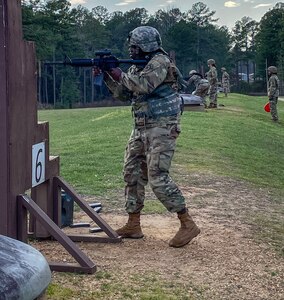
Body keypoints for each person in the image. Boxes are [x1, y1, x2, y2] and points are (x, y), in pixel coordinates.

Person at [96, 26, 200, 248]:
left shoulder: (160, 62)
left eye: (134, 46)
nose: (131, 50)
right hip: (142, 126)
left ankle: (187, 222)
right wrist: (107, 75)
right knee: (131, 171)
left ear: (145, 45)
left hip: (162, 126)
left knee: (157, 175)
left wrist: (117, 72)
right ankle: (134, 224)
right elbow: (124, 93)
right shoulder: (136, 67)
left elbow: (144, 86)